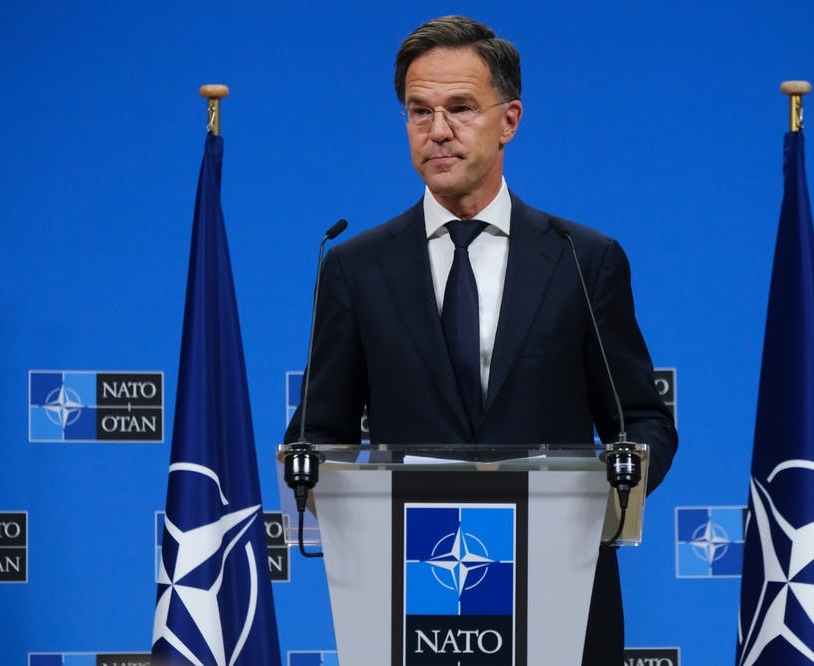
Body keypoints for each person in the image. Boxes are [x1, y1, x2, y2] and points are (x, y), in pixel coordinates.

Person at [285, 15, 678, 664]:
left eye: (461, 108)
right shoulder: (355, 268)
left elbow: (640, 418)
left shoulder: (584, 259)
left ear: (510, 120)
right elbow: (321, 428)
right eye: (419, 111)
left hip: (562, 584)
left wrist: (622, 476)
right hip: (414, 588)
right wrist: (304, 461)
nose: (437, 130)